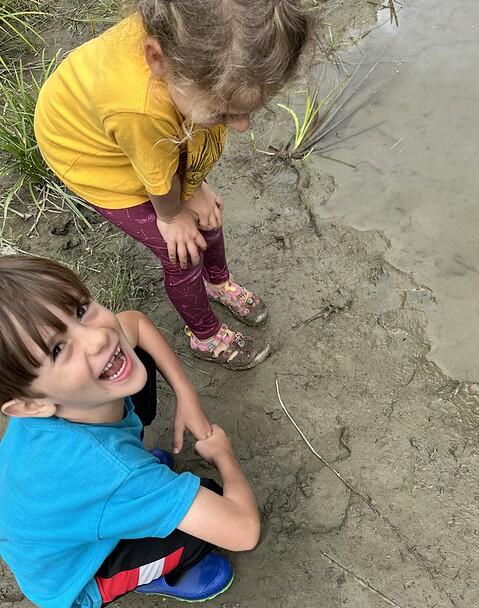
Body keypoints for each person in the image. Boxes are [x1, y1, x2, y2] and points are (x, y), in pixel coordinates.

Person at [34, 0, 309, 370]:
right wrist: (173, 212)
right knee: (182, 250)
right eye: (225, 112)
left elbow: (175, 147)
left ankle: (218, 283)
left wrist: (195, 187)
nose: (241, 126)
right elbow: (157, 170)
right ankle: (205, 335)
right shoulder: (141, 109)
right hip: (92, 155)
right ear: (157, 59)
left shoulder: (185, 36)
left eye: (251, 110)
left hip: (139, 138)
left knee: (207, 217)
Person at [0, 256, 260, 608]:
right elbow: (243, 530)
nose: (96, 338)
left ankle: (132, 503)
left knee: (133, 356)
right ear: (29, 405)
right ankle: (156, 575)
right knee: (212, 500)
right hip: (81, 576)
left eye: (81, 309)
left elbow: (134, 324)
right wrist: (223, 454)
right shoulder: (111, 471)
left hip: (57, 512)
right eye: (58, 350)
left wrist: (187, 395)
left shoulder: (68, 395)